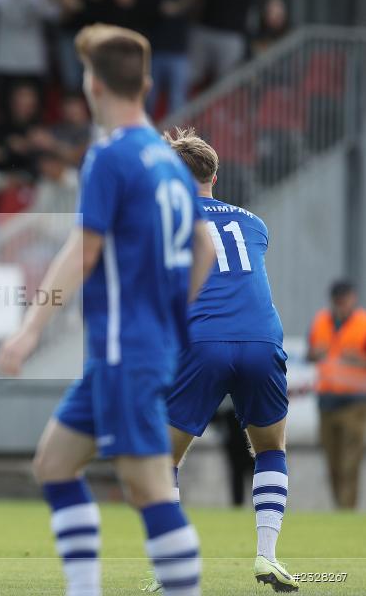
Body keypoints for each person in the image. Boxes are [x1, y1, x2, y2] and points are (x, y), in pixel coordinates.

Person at [0, 24, 215, 596]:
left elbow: (83, 252)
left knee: (148, 490)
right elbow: (205, 249)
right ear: (144, 82)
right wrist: (168, 320)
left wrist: (29, 329)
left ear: (93, 83)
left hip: (124, 350)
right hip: (132, 350)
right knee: (54, 464)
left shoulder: (110, 156)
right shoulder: (168, 163)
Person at [144, 127, 297, 592]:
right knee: (271, 449)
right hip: (261, 341)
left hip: (203, 341)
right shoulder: (254, 222)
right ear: (215, 173)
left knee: (162, 460)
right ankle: (267, 557)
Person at [307, 280, 366, 510]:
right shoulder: (321, 321)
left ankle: (346, 510)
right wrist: (315, 354)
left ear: (353, 298)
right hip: (326, 403)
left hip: (355, 403)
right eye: (337, 301)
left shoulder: (362, 323)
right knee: (332, 462)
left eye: (345, 300)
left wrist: (357, 360)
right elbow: (309, 353)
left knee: (350, 463)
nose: (341, 305)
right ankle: (339, 508)